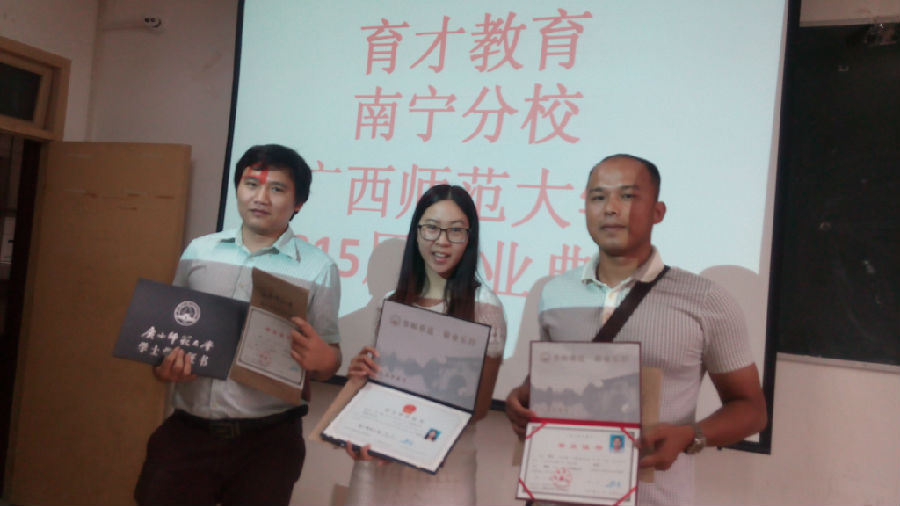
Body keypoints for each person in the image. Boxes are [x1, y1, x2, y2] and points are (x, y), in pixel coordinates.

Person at [504, 154, 767, 505]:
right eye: (598, 197)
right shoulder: (554, 292)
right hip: (555, 491)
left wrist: (691, 436)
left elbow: (751, 409)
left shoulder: (706, 300)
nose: (611, 208)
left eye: (627, 196)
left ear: (658, 211)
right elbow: (551, 378)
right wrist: (521, 397)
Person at [133, 144, 342, 506]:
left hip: (267, 444)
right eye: (251, 184)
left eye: (277, 188)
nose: (261, 198)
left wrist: (326, 360)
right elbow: (171, 334)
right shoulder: (200, 251)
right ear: (237, 189)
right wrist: (164, 367)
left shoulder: (318, 268)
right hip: (188, 433)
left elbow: (328, 361)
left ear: (298, 202)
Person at [343, 184, 506, 506]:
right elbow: (380, 386)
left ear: (469, 238)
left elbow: (479, 408)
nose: (442, 241)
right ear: (417, 232)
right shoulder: (391, 302)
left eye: (455, 231)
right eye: (431, 228)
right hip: (380, 461)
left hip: (443, 468)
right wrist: (360, 377)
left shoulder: (484, 307)